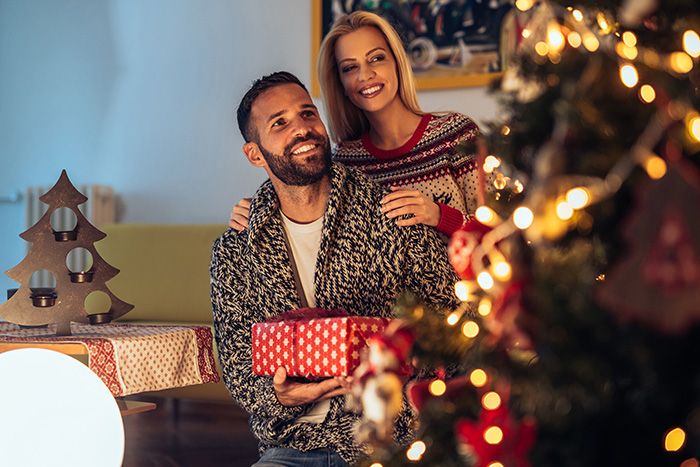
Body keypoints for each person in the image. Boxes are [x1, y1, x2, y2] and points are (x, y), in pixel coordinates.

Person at [211, 71, 460, 466]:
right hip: (290, 446)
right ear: (255, 154)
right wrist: (281, 396)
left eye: (308, 114)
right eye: (280, 123)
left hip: (386, 438)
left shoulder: (395, 219)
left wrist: (398, 372)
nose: (302, 128)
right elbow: (238, 368)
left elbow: (449, 328)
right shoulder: (236, 250)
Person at [230, 11, 482, 238]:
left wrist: (439, 216)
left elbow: (502, 232)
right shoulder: (347, 161)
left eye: (376, 58)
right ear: (339, 82)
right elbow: (305, 201)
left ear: (397, 62)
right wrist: (259, 208)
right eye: (350, 67)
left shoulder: (457, 134)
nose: (365, 75)